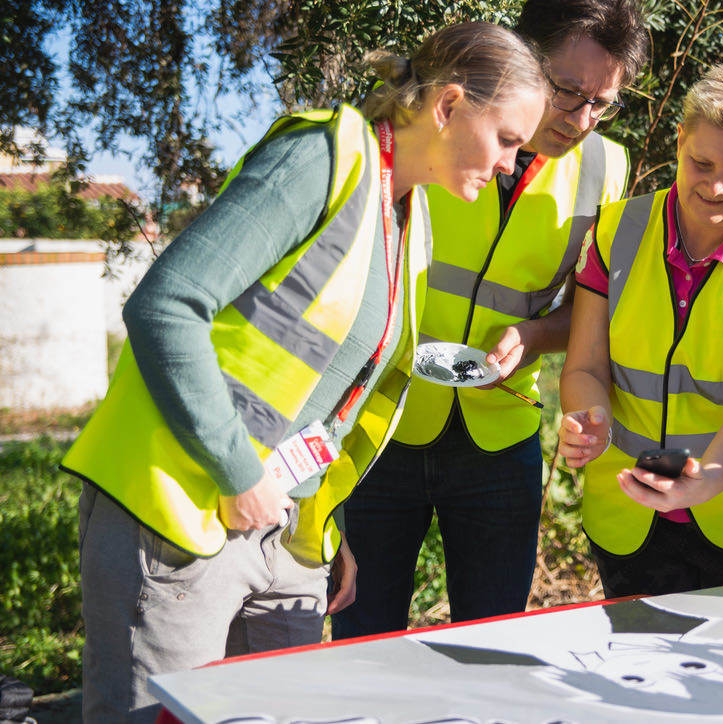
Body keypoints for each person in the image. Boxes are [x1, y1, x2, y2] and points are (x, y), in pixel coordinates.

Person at [60, 22, 548, 723]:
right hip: (178, 513)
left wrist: (324, 525)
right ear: (445, 106)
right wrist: (238, 472)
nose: (510, 164)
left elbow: (332, 397)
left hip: (280, 536)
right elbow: (165, 306)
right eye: (506, 139)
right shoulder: (320, 157)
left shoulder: (410, 215)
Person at [331, 0, 649, 639]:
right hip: (378, 422)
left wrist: (534, 336)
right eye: (567, 91)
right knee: (360, 639)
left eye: (602, 103)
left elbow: (589, 314)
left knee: (494, 641)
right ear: (523, 57)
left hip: (501, 434)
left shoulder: (607, 168)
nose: (581, 119)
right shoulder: (417, 121)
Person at [558, 63, 723, 599]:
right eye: (700, 163)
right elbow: (585, 367)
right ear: (679, 140)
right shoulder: (615, 231)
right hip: (629, 512)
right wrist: (586, 421)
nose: (715, 186)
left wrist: (700, 485)